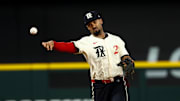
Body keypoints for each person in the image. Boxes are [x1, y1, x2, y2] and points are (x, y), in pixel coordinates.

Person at [42, 10, 135, 101]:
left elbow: (124, 55)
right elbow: (70, 46)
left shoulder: (116, 39)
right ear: (88, 27)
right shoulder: (86, 42)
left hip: (117, 84)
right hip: (100, 86)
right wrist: (54, 44)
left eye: (95, 22)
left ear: (101, 21)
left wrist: (127, 61)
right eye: (90, 25)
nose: (93, 25)